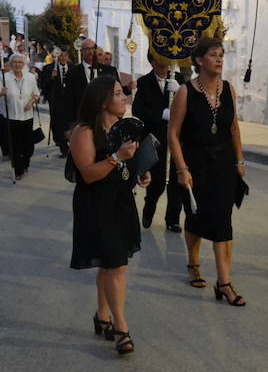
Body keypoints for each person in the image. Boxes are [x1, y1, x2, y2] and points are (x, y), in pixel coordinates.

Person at [69, 76, 149, 356]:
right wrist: (117, 157)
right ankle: (121, 327)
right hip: (96, 204)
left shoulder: (122, 126)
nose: (124, 96)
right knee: (115, 265)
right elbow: (89, 175)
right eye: (118, 93)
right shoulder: (84, 132)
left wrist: (141, 173)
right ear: (103, 101)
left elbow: (129, 165)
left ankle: (102, 315)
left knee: (113, 262)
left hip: (121, 202)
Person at [168, 37, 247, 306]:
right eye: (213, 55)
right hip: (195, 165)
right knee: (195, 219)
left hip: (223, 165)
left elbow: (234, 128)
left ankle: (224, 282)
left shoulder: (229, 90)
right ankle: (193, 263)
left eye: (221, 54)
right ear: (199, 60)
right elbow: (173, 134)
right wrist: (181, 169)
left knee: (223, 222)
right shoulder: (185, 92)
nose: (219, 59)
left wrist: (239, 161)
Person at [133, 51, 184, 232]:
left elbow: (192, 106)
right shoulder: (145, 82)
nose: (164, 64)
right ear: (152, 62)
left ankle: (173, 219)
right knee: (158, 181)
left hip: (177, 139)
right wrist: (161, 114)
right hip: (156, 139)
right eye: (160, 60)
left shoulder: (180, 79)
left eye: (166, 60)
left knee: (177, 182)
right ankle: (149, 205)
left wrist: (180, 91)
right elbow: (137, 109)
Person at [2, 53, 40, 179]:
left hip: (27, 117)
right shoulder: (5, 77)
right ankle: (18, 170)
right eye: (15, 62)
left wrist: (31, 102)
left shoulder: (30, 77)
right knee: (15, 146)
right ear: (11, 64)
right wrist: (0, 93)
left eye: (20, 62)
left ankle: (25, 164)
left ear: (23, 64)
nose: (17, 64)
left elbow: (36, 94)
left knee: (28, 146)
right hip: (12, 117)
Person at [42, 49, 72, 157]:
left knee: (70, 124)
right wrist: (51, 78)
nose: (63, 58)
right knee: (58, 124)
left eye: (65, 56)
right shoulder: (49, 68)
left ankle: (71, 144)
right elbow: (44, 85)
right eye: (61, 56)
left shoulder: (74, 68)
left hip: (70, 101)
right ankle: (63, 148)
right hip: (56, 101)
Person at [65, 38, 99, 120]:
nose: (91, 52)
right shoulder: (73, 72)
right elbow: (69, 101)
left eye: (93, 48)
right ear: (81, 51)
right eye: (87, 49)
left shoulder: (106, 70)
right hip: (82, 119)